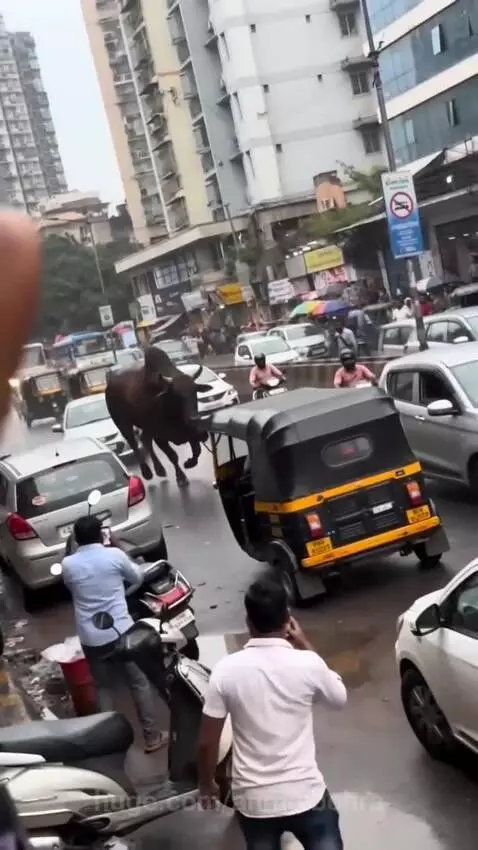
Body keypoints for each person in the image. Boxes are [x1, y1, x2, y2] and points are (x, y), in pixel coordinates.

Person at [198, 577, 346, 850]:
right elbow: (338, 698)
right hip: (305, 795)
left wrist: (207, 784)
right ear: (288, 618)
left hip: (254, 803)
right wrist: (303, 642)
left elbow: (208, 741)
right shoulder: (308, 664)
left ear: (248, 621)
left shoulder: (225, 671)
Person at [62, 515, 166, 754]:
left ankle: (109, 745)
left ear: (77, 539)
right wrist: (117, 546)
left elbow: (70, 585)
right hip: (122, 630)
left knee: (103, 688)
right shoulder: (115, 556)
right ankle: (152, 737)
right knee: (138, 682)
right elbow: (137, 577)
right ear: (102, 534)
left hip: (91, 636)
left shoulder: (69, 565)